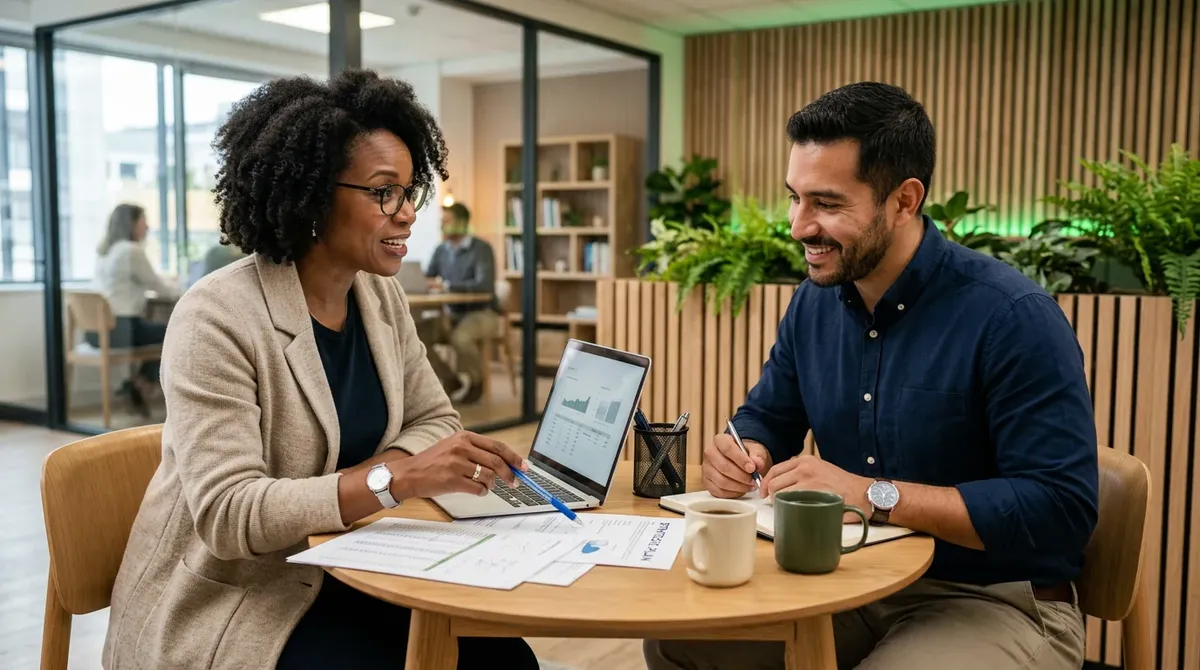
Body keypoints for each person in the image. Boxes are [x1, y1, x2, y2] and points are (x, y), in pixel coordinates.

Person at [645, 82, 1097, 669]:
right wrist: (745, 449)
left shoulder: (1013, 317)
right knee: (678, 643)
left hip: (993, 598)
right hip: (854, 579)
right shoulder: (813, 303)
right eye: (795, 198)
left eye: (827, 204)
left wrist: (875, 496)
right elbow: (768, 415)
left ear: (904, 200)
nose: (798, 226)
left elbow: (1059, 510)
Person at [102, 69, 541, 670]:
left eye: (409, 191)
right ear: (312, 196)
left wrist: (377, 477)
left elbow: (437, 418)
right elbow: (229, 515)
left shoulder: (379, 297)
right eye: (383, 192)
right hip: (241, 599)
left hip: (350, 559)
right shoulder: (216, 316)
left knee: (505, 657)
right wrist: (393, 481)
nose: (407, 214)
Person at [90, 203, 179, 414]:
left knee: (162, 332)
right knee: (176, 333)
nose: (147, 227)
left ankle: (136, 384)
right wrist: (191, 290)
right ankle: (140, 383)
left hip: (95, 331)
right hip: (120, 328)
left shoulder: (105, 252)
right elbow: (159, 287)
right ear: (131, 224)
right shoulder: (131, 251)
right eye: (143, 222)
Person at [417, 202, 500, 404]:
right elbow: (427, 278)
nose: (442, 225)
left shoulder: (481, 249)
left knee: (460, 337)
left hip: (482, 313)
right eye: (442, 221)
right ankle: (449, 378)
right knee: (414, 334)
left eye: (447, 221)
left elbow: (484, 285)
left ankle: (476, 381)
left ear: (462, 223)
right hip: (452, 314)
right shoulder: (441, 250)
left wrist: (446, 286)